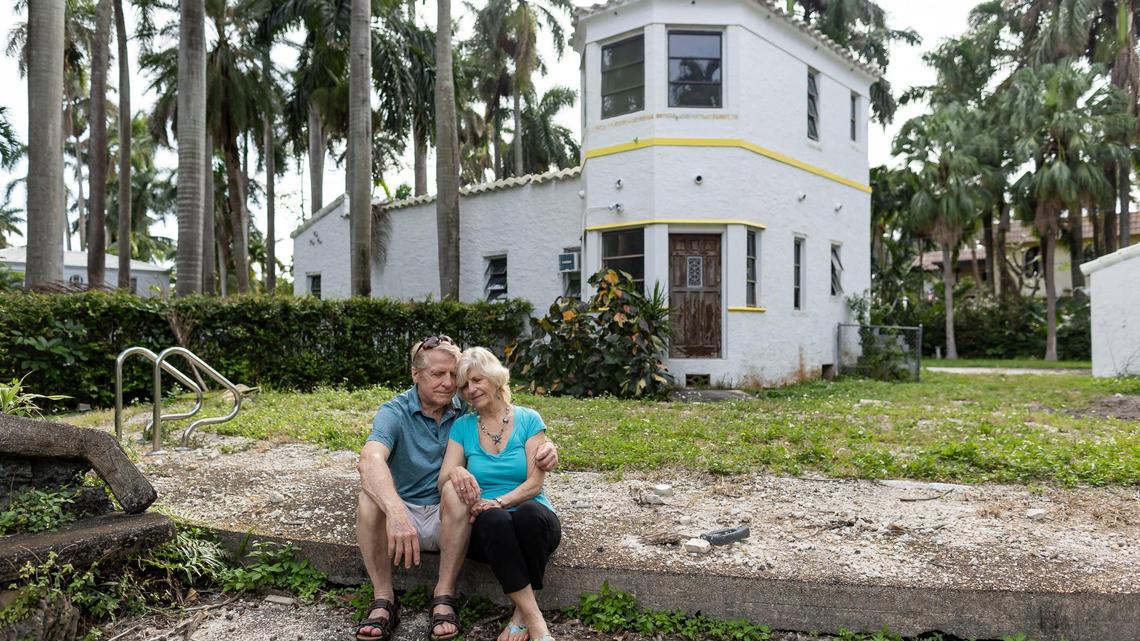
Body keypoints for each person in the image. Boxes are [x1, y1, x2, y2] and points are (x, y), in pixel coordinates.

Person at [355, 336, 559, 641]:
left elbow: (529, 463)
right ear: (416, 375)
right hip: (410, 511)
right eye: (439, 375)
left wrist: (551, 448)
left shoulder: (467, 412)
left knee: (479, 497)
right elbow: (369, 460)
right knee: (369, 498)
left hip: (450, 514)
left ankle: (448, 596)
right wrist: (396, 512)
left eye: (456, 376)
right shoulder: (398, 412)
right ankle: (383, 598)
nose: (451, 384)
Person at [440, 347, 562, 641]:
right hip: (488, 530)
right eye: (465, 385)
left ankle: (522, 617)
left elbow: (535, 484)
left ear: (495, 379)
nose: (471, 389)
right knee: (495, 520)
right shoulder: (463, 427)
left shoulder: (529, 419)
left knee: (529, 514)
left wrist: (500, 501)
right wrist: (456, 471)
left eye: (477, 380)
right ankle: (538, 624)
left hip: (533, 521)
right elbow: (443, 477)